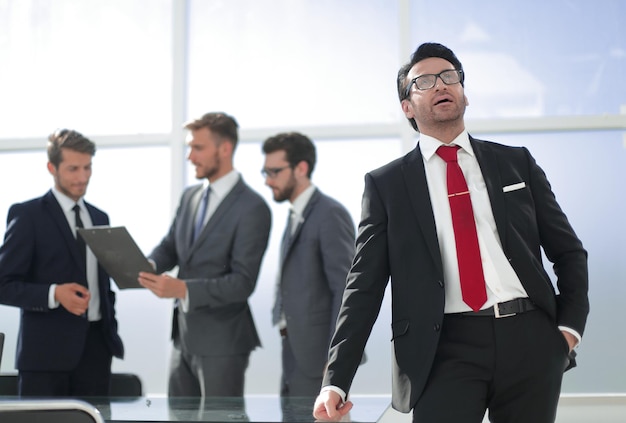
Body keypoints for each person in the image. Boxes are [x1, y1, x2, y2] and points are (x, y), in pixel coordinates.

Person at [313, 42, 589, 423]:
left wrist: (568, 329)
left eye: (449, 77)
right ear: (407, 107)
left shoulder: (516, 162)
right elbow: (363, 286)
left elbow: (569, 251)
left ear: (463, 93)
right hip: (442, 347)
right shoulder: (387, 185)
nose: (441, 85)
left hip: (531, 338)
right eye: (424, 81)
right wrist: (336, 381)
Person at [138, 112, 271, 397]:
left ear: (224, 149)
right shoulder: (190, 197)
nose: (190, 157)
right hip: (181, 339)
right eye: (189, 147)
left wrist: (182, 289)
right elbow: (171, 246)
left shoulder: (253, 208)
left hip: (223, 344)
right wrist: (148, 264)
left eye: (197, 148)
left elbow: (242, 282)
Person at [0, 129, 124, 397]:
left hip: (96, 352)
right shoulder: (28, 215)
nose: (83, 177)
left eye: (87, 167)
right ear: (51, 167)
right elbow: (3, 284)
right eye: (73, 169)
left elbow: (102, 282)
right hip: (44, 357)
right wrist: (54, 294)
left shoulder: (100, 217)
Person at [261, 132, 356, 398]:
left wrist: (336, 359)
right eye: (265, 172)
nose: (268, 180)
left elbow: (346, 290)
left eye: (274, 171)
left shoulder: (328, 213)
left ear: (301, 168)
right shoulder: (295, 214)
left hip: (320, 358)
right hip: (294, 351)